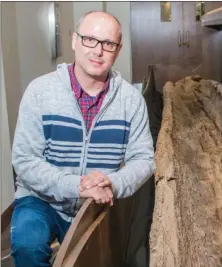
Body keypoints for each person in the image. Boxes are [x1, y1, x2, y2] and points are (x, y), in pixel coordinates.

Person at [10, 11, 155, 267]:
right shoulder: (40, 92)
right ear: (75, 41)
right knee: (27, 245)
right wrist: (75, 184)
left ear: (117, 50)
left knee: (93, 260)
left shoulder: (131, 101)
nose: (98, 51)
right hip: (42, 198)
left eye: (108, 44)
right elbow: (24, 159)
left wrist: (113, 181)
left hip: (95, 202)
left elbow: (144, 159)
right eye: (90, 39)